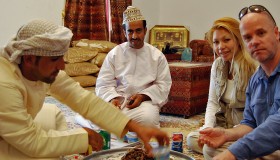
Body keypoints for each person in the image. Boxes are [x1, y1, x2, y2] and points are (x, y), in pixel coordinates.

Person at [0, 19, 169, 159]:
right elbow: (32, 142)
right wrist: (82, 138)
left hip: (13, 126)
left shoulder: (39, 68)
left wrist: (137, 128)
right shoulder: (4, 84)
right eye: (55, 60)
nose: (61, 66)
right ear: (29, 59)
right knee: (40, 153)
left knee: (53, 113)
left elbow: (82, 99)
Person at [199, 5, 280, 160]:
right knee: (210, 148)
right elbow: (250, 123)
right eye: (248, 37)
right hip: (268, 148)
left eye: (261, 33)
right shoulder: (256, 79)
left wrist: (232, 154)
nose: (254, 42)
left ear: (276, 33)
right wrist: (226, 134)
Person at [186, 17, 257, 153]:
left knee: (209, 149)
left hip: (245, 130)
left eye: (226, 40)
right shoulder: (217, 65)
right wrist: (207, 127)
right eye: (216, 42)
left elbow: (256, 116)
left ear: (238, 39)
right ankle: (231, 151)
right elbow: (213, 102)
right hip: (223, 126)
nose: (220, 47)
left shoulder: (253, 67)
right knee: (192, 139)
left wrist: (232, 133)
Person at [95, 6, 172, 127]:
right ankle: (123, 125)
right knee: (89, 115)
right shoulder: (115, 53)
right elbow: (103, 83)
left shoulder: (157, 56)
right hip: (118, 100)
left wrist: (142, 96)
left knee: (148, 119)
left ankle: (120, 126)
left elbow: (163, 85)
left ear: (145, 30)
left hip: (144, 103)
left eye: (138, 30)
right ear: (124, 31)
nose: (134, 36)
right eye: (130, 31)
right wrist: (112, 99)